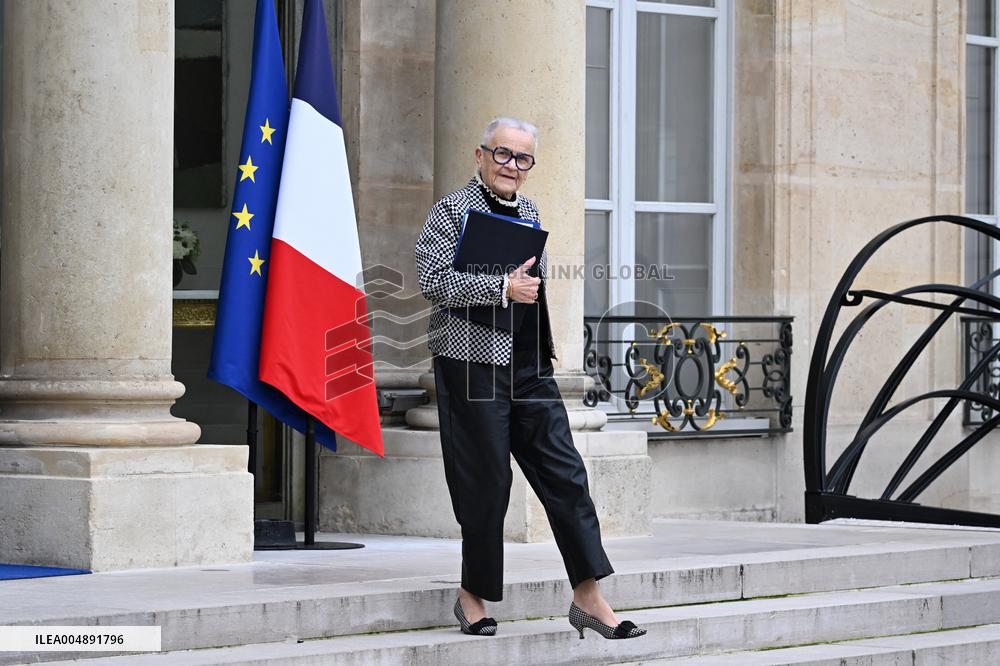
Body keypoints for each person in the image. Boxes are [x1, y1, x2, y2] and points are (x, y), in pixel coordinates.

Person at [414, 117, 646, 640]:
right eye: (502, 155)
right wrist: (501, 288)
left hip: (529, 368)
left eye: (522, 159)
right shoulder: (450, 211)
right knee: (487, 486)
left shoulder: (530, 211)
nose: (511, 167)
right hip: (471, 366)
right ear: (480, 156)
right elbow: (431, 280)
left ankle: (589, 596)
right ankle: (470, 596)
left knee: (566, 477)